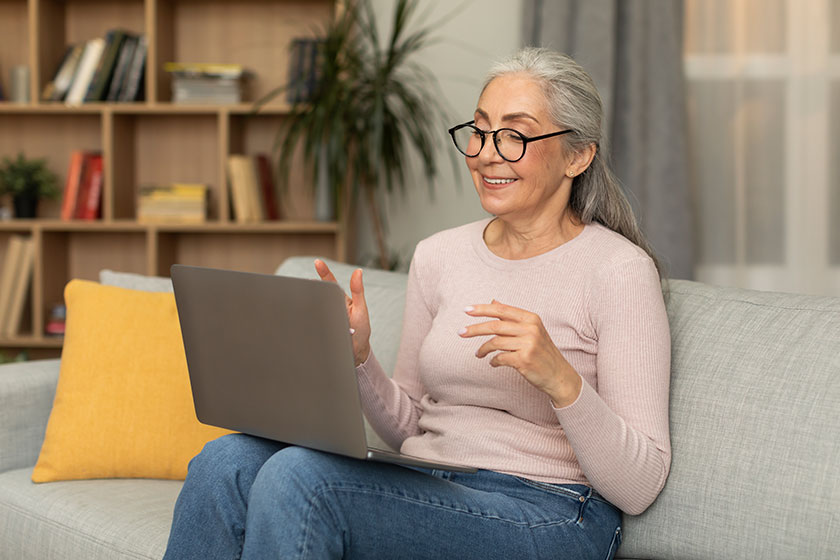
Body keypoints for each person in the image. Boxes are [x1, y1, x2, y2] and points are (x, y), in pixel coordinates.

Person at [163, 47, 671, 560]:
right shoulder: (439, 255)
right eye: (480, 131)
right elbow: (410, 430)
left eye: (515, 135)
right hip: (430, 481)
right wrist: (358, 358)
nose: (487, 153)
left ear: (578, 156)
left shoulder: (618, 270)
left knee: (301, 479)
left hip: (552, 509)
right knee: (225, 461)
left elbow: (640, 484)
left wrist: (561, 379)